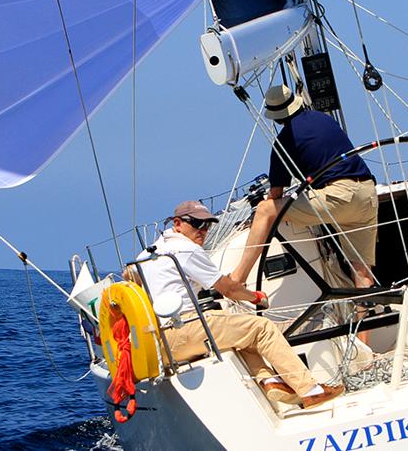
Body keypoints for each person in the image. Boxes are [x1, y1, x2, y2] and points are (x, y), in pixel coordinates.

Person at [137, 201, 344, 408]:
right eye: (196, 224)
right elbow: (229, 289)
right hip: (186, 331)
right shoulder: (186, 249)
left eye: (207, 225)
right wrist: (254, 297)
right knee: (262, 328)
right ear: (178, 223)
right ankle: (310, 390)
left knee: (240, 330)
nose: (203, 230)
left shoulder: (145, 256)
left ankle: (269, 381)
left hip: (158, 342)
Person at [230, 85, 378, 289]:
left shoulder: (284, 141)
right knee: (361, 270)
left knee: (265, 210)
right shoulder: (325, 118)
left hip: (337, 197)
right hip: (367, 194)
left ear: (276, 117)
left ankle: (238, 278)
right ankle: (369, 313)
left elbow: (275, 196)